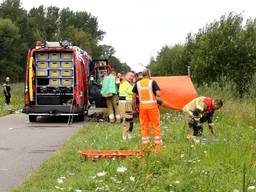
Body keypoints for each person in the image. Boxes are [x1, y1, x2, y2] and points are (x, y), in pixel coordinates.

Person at [132, 69, 163, 149]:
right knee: (155, 125)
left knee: (144, 126)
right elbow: (158, 94)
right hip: (152, 107)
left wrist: (134, 105)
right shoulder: (152, 82)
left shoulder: (137, 84)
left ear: (142, 75)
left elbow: (133, 96)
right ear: (149, 74)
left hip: (142, 107)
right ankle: (157, 145)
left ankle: (145, 145)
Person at [119, 72, 135, 140]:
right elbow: (133, 92)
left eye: (132, 76)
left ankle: (126, 135)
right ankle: (126, 135)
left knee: (126, 120)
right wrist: (134, 84)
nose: (131, 77)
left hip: (123, 103)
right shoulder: (126, 84)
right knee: (128, 120)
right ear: (126, 75)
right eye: (130, 76)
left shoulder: (124, 83)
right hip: (126, 103)